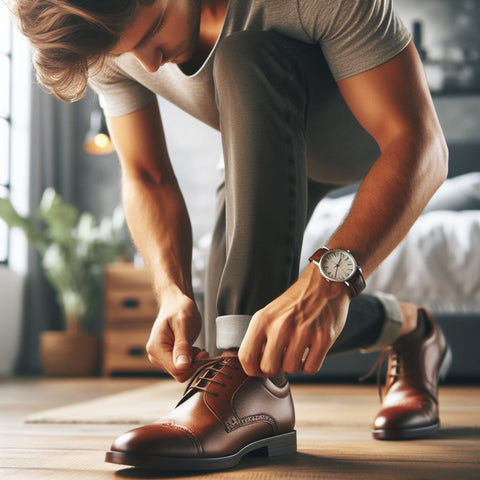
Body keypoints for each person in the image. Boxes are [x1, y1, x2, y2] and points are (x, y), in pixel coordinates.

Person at [11, 0, 451, 471]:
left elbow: (423, 146)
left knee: (244, 53)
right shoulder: (108, 36)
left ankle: (264, 398)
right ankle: (411, 329)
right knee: (236, 331)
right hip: (262, 147)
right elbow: (146, 176)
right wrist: (170, 291)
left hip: (362, 133)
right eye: (128, 53)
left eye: (155, 30)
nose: (150, 63)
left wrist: (330, 280)